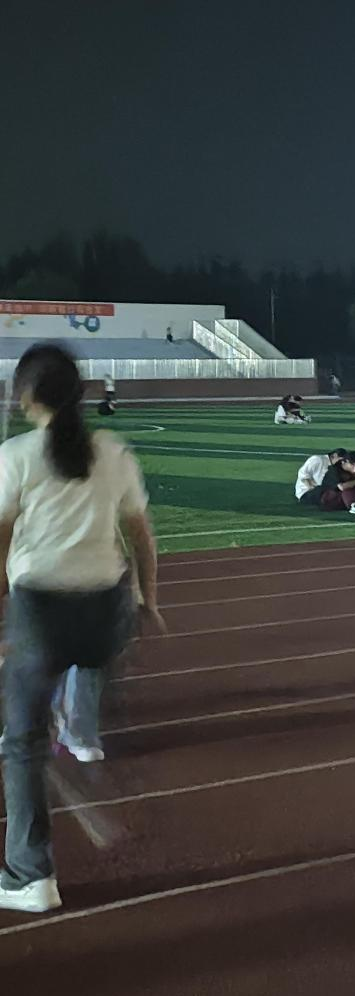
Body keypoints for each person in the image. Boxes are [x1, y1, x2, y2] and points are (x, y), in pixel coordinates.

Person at [0, 344, 163, 914]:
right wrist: (149, 600)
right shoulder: (113, 451)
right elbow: (141, 535)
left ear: (26, 396)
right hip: (105, 613)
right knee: (84, 663)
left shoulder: (16, 456)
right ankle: (84, 734)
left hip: (43, 609)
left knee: (21, 742)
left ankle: (31, 875)